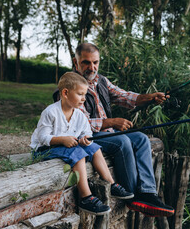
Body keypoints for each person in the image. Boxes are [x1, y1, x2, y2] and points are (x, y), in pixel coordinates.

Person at [63, 42, 175, 217]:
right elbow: (78, 123)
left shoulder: (101, 81)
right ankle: (132, 196)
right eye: (86, 62)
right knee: (122, 141)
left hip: (107, 134)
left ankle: (148, 192)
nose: (92, 67)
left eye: (95, 62)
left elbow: (125, 96)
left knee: (140, 138)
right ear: (75, 62)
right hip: (85, 137)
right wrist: (111, 122)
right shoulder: (70, 85)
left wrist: (151, 98)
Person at [31, 72, 133, 216]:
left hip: (65, 146)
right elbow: (42, 137)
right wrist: (63, 139)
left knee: (94, 147)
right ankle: (86, 197)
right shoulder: (51, 112)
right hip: (44, 149)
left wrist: (84, 139)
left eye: (85, 95)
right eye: (80, 94)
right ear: (65, 93)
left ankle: (111, 184)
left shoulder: (79, 115)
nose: (84, 99)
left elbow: (86, 134)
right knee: (78, 154)